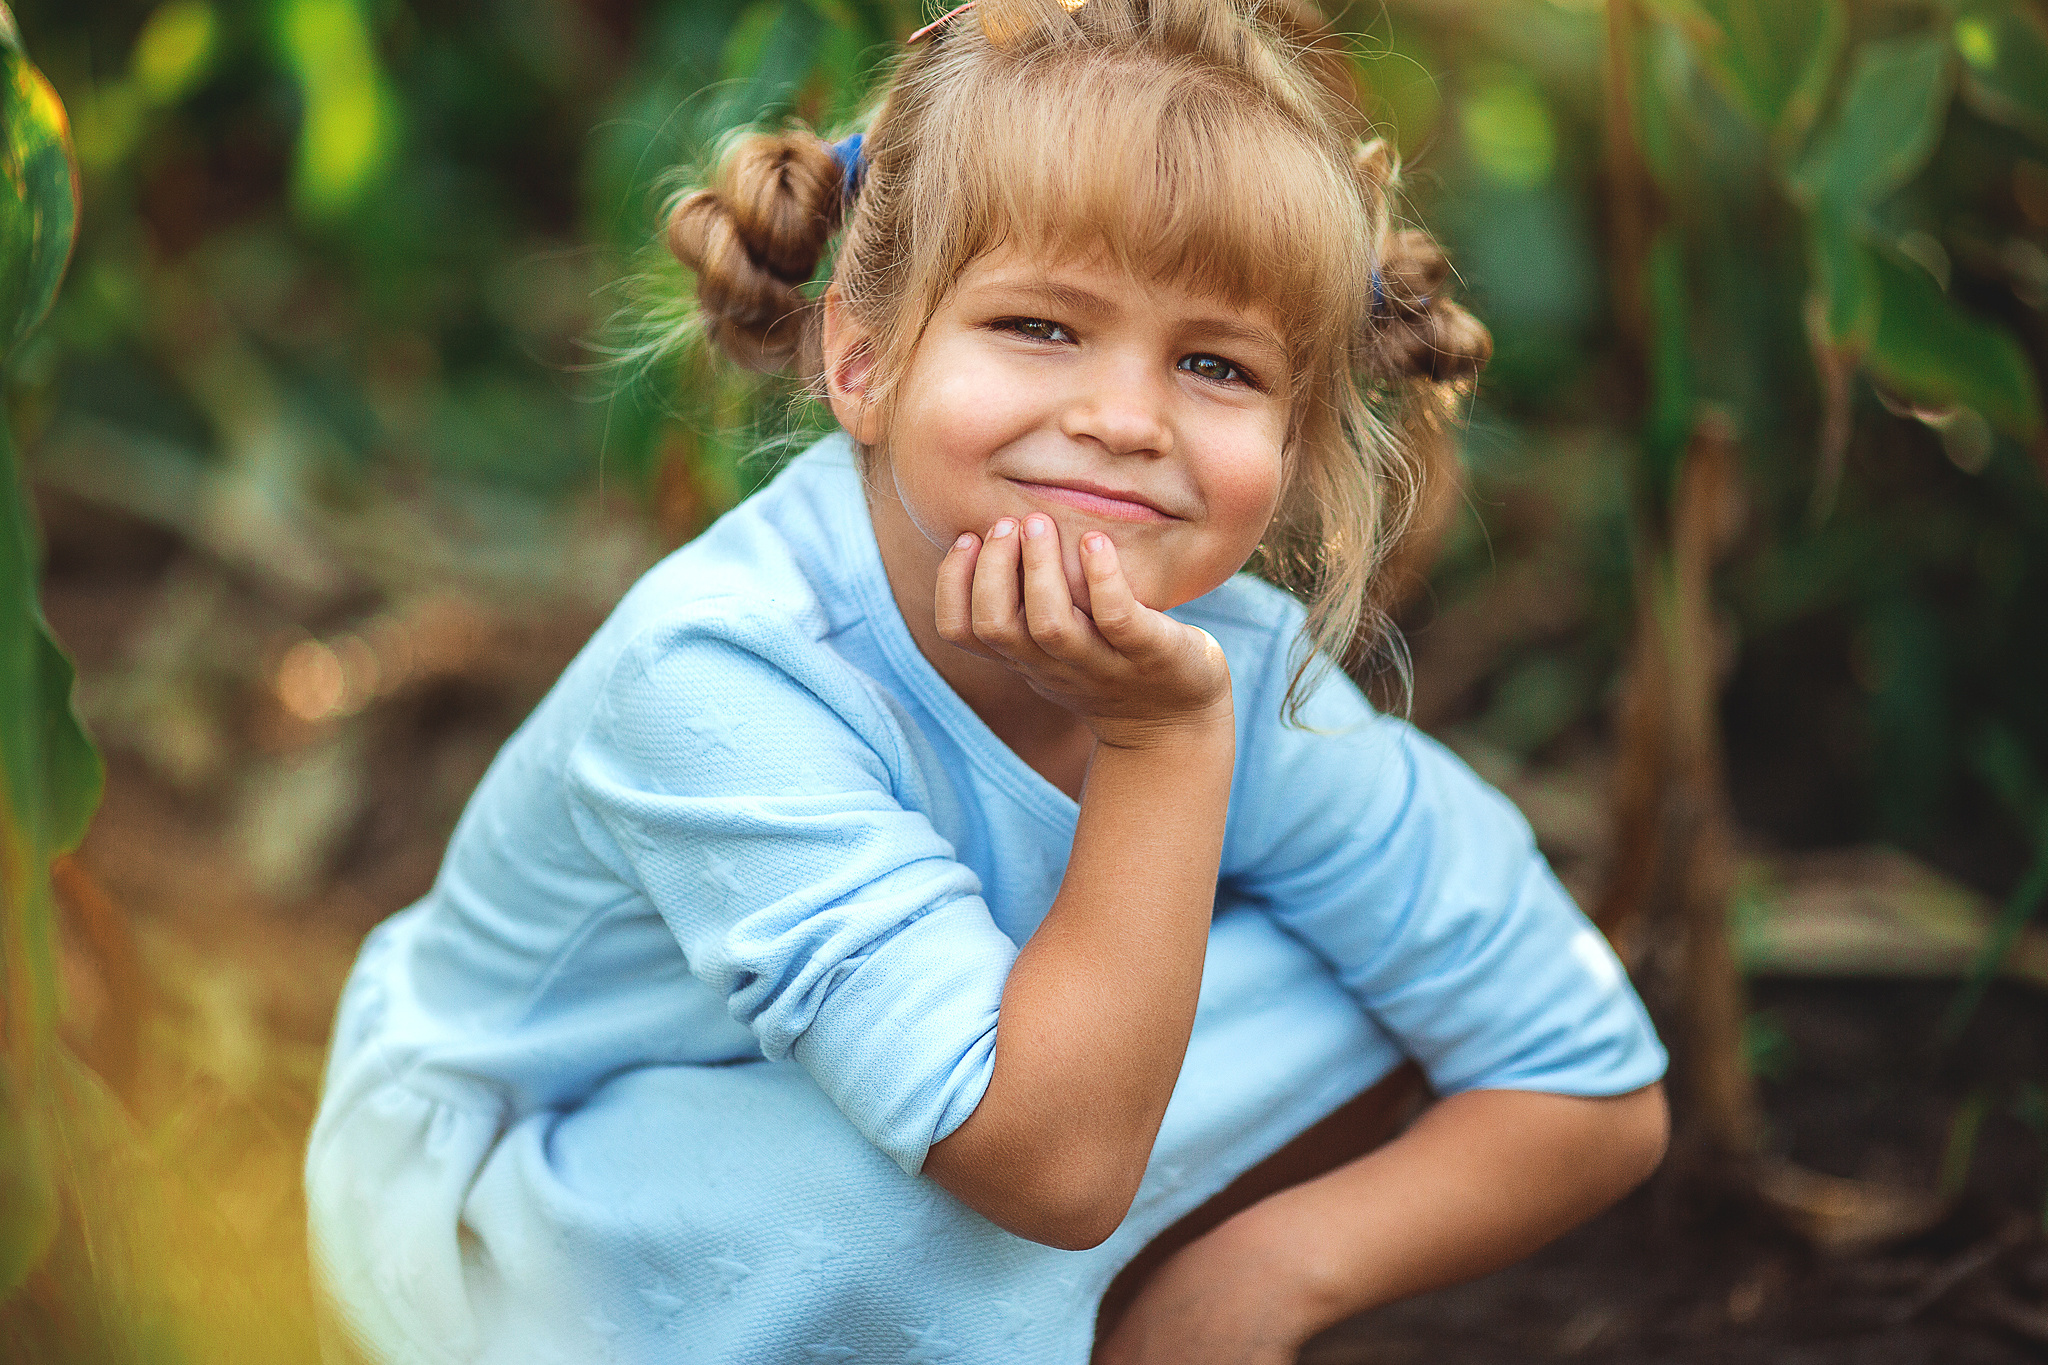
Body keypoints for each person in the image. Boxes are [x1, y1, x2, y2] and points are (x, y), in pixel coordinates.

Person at [305, 0, 1670, 1359]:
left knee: (1358, 978)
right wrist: (1162, 746)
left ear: (1299, 434)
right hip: (536, 1221)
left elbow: (1583, 1067)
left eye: (1215, 363)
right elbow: (1049, 1173)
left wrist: (1264, 1277)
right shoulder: (721, 669)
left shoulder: (1244, 666)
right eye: (1039, 326)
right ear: (863, 355)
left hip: (963, 1126)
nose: (1124, 419)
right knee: (938, 1206)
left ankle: (1110, 1304)